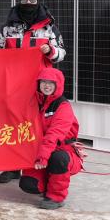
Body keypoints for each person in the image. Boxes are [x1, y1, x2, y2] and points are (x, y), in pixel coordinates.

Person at [0, 0, 67, 183]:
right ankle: (12, 166)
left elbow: (61, 53)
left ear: (37, 1)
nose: (27, 2)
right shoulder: (8, 27)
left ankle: (35, 166)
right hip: (13, 87)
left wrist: (50, 50)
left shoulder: (49, 27)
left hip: (38, 88)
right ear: (19, 0)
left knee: (35, 127)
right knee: (12, 126)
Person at [18, 67, 82, 209]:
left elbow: (55, 134)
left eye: (51, 83)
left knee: (58, 159)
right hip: (42, 150)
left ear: (58, 85)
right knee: (28, 185)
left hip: (63, 150)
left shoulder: (63, 106)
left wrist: (43, 157)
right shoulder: (34, 102)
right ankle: (47, 181)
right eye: (44, 82)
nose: (46, 86)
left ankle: (56, 197)